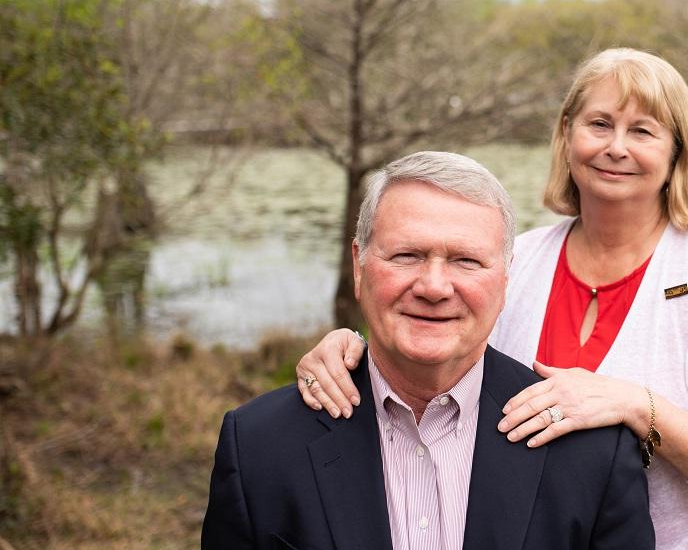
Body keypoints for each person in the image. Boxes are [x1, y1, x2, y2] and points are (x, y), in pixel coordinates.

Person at [296, 49, 688, 549]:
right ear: (567, 133)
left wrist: (638, 408)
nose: (616, 147)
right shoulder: (519, 259)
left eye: (643, 131)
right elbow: (442, 348)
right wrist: (350, 349)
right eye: (599, 123)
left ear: (676, 152)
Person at [202, 152, 655, 550]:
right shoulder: (259, 446)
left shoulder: (593, 451)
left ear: (504, 278)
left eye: (465, 260)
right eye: (406, 256)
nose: (434, 287)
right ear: (359, 267)